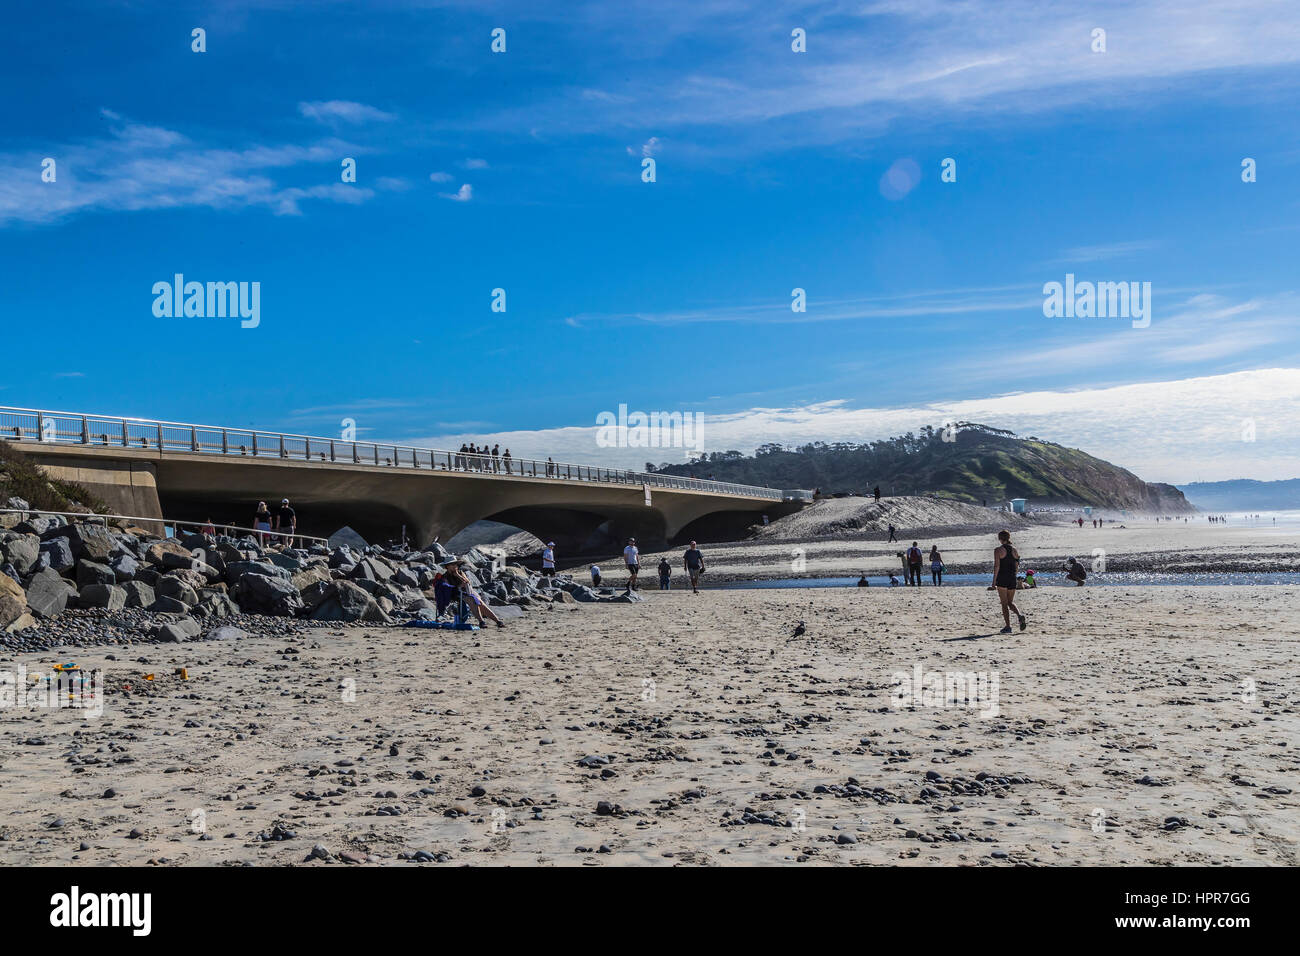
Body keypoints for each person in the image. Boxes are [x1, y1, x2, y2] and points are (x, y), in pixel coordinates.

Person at [442, 558, 505, 628]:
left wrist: (458, 575)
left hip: (468, 591)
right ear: (447, 566)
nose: (455, 566)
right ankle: (481, 621)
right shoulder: (445, 576)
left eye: (456, 564)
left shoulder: (460, 572)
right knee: (472, 600)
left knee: (480, 603)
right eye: (452, 564)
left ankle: (497, 621)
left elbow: (467, 582)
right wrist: (458, 586)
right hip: (456, 594)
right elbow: (448, 588)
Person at [991, 530, 1027, 633]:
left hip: (1002, 578)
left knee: (1004, 603)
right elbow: (1016, 566)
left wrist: (993, 583)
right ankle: (1019, 616)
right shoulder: (1014, 550)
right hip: (1012, 578)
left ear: (1000, 539)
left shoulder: (998, 550)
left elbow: (997, 566)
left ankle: (1008, 626)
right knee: (1010, 602)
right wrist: (1014, 575)